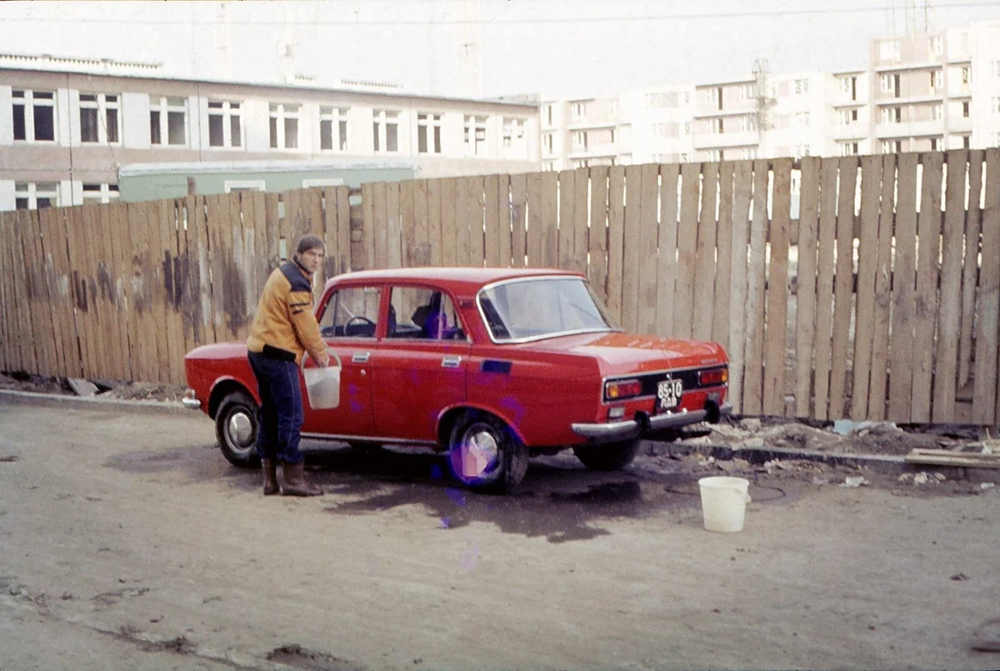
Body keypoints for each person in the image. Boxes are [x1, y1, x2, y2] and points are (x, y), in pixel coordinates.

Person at [246, 234, 330, 496]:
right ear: (300, 254)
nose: (315, 260)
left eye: (319, 256)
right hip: (278, 354)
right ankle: (293, 479)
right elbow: (306, 326)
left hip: (259, 350)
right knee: (292, 415)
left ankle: (269, 479)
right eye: (311, 254)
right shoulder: (296, 283)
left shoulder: (284, 272)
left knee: (270, 413)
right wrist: (321, 356)